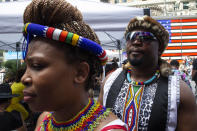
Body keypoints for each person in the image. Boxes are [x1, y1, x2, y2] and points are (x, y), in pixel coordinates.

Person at [21, 0, 128, 130]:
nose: (24, 78)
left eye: (37, 66)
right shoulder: (44, 119)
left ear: (80, 73)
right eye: (27, 66)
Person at [99, 15, 197, 131]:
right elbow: (99, 124)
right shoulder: (109, 81)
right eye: (130, 37)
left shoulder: (180, 92)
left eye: (144, 37)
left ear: (159, 48)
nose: (136, 41)